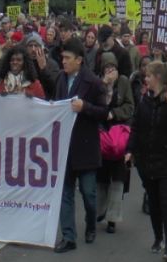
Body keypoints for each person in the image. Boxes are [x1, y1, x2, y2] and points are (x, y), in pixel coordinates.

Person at [125, 60, 167, 262]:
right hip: (147, 160)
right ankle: (158, 238)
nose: (146, 78)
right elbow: (136, 127)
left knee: (166, 203)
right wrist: (130, 150)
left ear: (158, 78)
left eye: (149, 75)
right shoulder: (144, 100)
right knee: (154, 202)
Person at [53, 37, 108, 254]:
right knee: (65, 193)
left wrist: (85, 107)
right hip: (65, 147)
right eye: (62, 58)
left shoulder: (93, 83)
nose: (63, 62)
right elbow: (57, 103)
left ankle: (91, 223)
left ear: (79, 60)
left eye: (67, 58)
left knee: (88, 193)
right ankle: (68, 236)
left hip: (85, 147)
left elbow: (104, 113)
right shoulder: (60, 79)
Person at [96, 52, 135, 234]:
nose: (111, 71)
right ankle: (101, 209)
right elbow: (93, 103)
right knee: (102, 176)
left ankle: (113, 218)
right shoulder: (98, 83)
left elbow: (130, 106)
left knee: (118, 179)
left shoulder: (124, 82)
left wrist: (114, 114)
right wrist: (104, 84)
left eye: (113, 68)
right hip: (102, 134)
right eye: (107, 68)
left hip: (119, 134)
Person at [25, 32, 60, 100]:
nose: (33, 49)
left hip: (45, 103)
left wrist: (44, 68)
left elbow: (55, 87)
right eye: (30, 46)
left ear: (41, 47)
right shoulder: (23, 63)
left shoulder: (52, 64)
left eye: (36, 45)